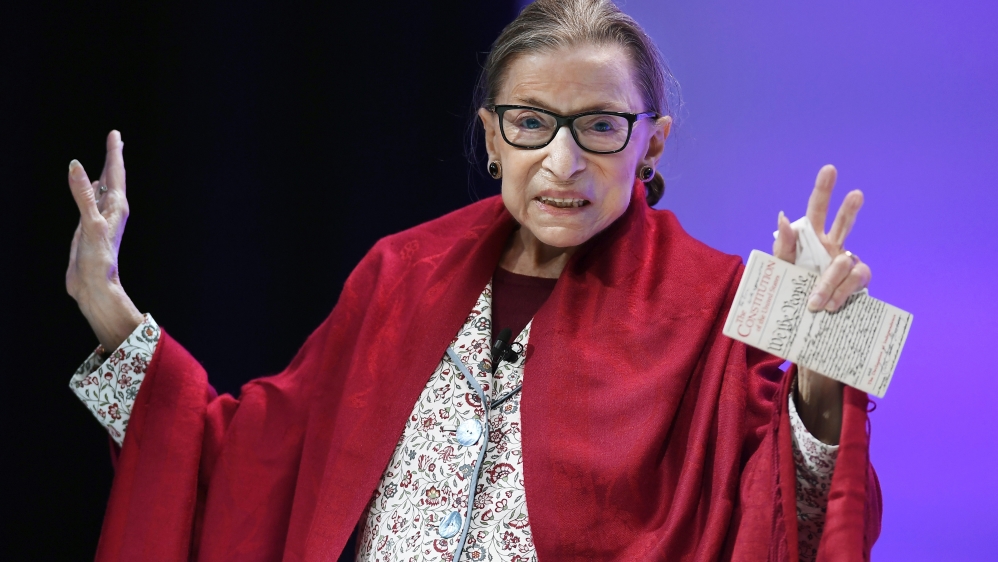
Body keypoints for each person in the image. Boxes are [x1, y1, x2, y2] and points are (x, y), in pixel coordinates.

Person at [64, 1, 880, 560]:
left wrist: (824, 367)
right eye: (531, 124)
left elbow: (785, 516)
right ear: (492, 137)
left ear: (652, 143)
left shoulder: (715, 298)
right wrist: (110, 310)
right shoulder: (401, 274)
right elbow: (248, 463)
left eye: (600, 126)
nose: (563, 162)